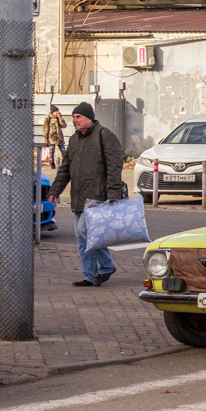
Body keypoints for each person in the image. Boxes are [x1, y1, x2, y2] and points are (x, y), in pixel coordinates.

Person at [48, 102, 125, 287]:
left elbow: (114, 166)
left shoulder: (104, 135)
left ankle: (106, 266)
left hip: (97, 195)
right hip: (78, 196)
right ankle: (90, 275)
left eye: (78, 117)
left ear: (89, 118)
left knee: (85, 231)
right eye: (73, 117)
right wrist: (55, 191)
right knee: (81, 238)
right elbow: (65, 169)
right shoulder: (75, 139)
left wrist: (113, 192)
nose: (75, 120)